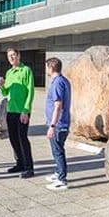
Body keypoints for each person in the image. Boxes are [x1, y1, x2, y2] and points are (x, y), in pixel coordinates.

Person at [0, 48, 35, 178]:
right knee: (13, 139)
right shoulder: (9, 72)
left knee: (22, 139)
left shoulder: (26, 70)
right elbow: (5, 93)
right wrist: (2, 86)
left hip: (22, 112)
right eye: (9, 56)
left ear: (19, 55)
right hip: (11, 111)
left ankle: (29, 167)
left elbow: (30, 91)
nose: (12, 58)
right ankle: (20, 163)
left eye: (14, 55)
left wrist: (25, 110)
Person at [45, 57, 72, 191]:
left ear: (51, 68)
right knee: (57, 150)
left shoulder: (57, 83)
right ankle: (58, 173)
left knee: (58, 151)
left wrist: (52, 126)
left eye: (47, 67)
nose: (47, 70)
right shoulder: (64, 80)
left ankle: (62, 179)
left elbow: (58, 106)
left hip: (58, 124)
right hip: (62, 123)